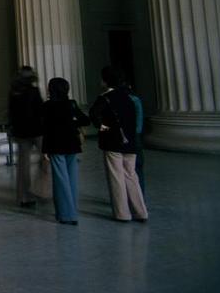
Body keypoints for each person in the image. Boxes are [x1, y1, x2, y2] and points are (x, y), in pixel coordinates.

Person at [89, 66, 148, 222]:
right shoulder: (130, 97)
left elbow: (93, 115)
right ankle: (141, 212)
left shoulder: (105, 98)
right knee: (131, 176)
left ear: (106, 80)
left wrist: (104, 128)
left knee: (116, 177)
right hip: (130, 142)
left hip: (113, 142)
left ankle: (122, 214)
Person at [41, 77, 90, 225]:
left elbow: (45, 129)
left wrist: (44, 149)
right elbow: (85, 120)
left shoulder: (47, 106)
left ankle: (67, 214)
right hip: (72, 144)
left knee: (60, 180)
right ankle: (72, 210)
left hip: (56, 145)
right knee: (72, 178)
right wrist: (72, 121)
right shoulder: (71, 104)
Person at [8, 65, 44, 207]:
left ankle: (24, 197)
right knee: (47, 159)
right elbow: (40, 110)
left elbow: (11, 112)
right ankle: (42, 190)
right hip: (36, 130)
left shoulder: (13, 92)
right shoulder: (33, 91)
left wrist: (13, 128)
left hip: (21, 131)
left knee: (23, 165)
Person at [128, 85, 145, 193]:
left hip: (130, 137)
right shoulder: (135, 100)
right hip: (135, 136)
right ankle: (140, 194)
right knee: (137, 167)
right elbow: (139, 123)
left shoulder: (131, 100)